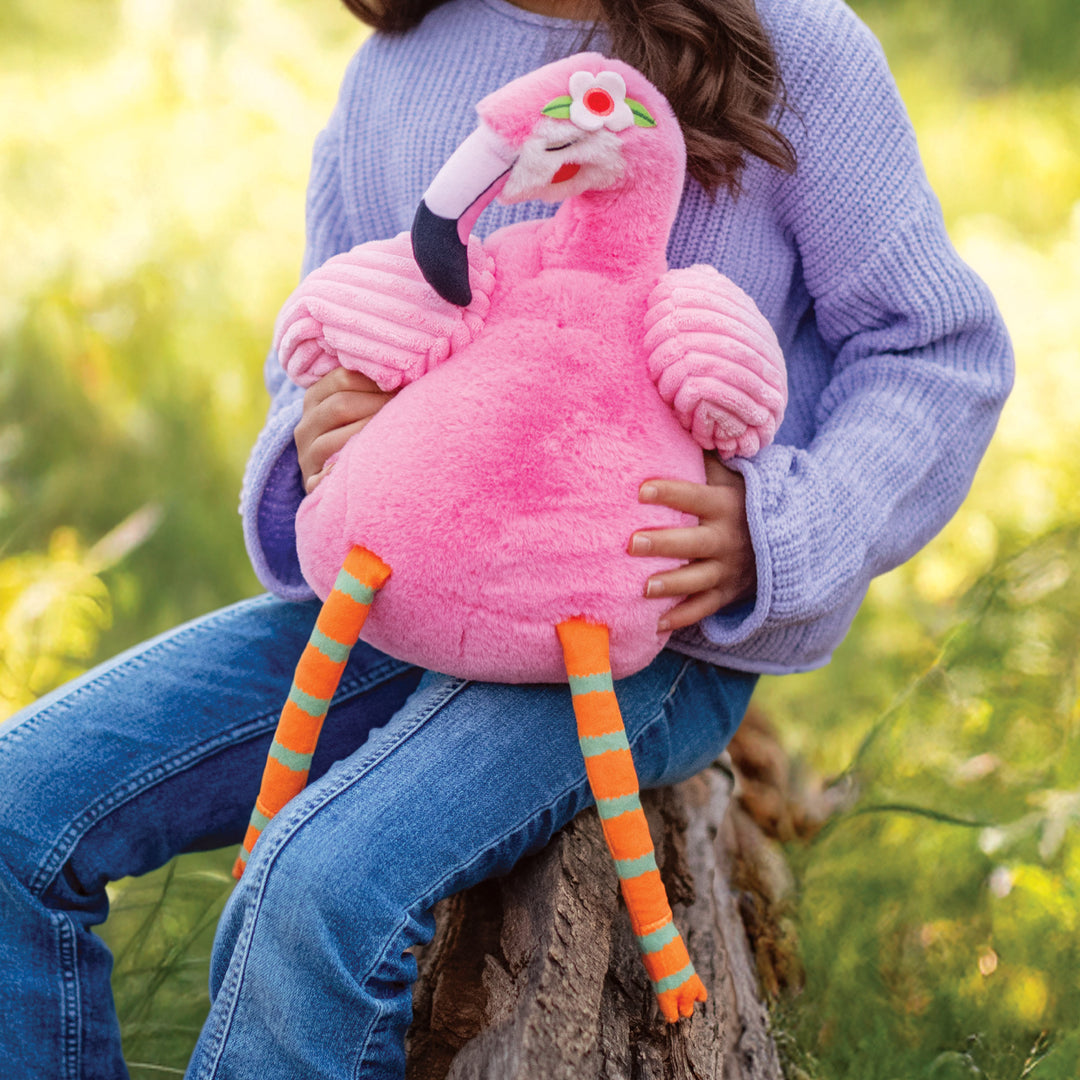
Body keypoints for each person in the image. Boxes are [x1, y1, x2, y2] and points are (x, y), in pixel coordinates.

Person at [0, 0, 1012, 1074]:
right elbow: (333, 322)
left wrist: (782, 530)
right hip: (403, 596)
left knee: (321, 886)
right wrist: (315, 433)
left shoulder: (796, 46)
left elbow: (936, 351)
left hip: (644, 630)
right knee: (20, 812)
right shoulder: (401, 64)